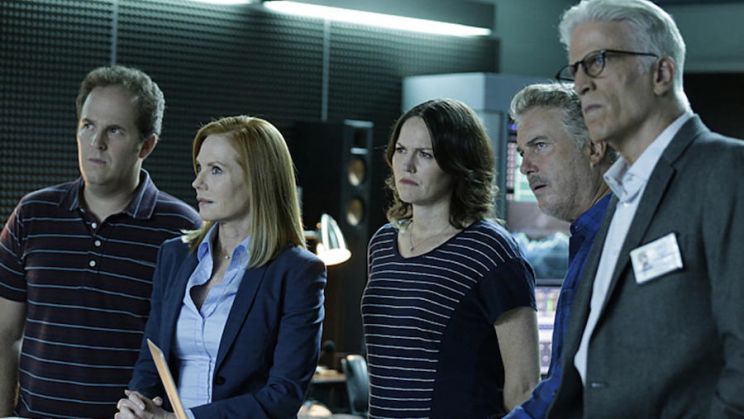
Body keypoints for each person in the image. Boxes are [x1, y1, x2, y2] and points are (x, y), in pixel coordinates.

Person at [549, 0, 744, 417]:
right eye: (575, 69)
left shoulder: (727, 170)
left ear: (661, 73)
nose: (581, 84)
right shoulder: (624, 191)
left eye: (598, 61)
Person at [0, 65, 201, 418]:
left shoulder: (182, 229)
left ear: (146, 145)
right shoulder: (33, 214)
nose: (97, 142)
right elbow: (4, 333)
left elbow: (193, 352)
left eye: (115, 130)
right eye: (88, 126)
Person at [116, 115, 326, 419]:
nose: (197, 182)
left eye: (215, 170)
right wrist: (137, 406)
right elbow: (151, 362)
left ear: (258, 179)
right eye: (199, 167)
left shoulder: (297, 271)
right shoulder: (174, 255)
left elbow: (283, 395)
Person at [362, 98, 540, 418]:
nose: (407, 165)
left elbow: (524, 388)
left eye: (425, 154)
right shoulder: (383, 244)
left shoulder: (490, 250)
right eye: (401, 150)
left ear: (459, 163)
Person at [504, 83, 615, 419]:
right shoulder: (587, 239)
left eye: (540, 146)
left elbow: (568, 390)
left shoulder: (617, 241)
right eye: (522, 153)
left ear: (593, 148)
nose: (525, 167)